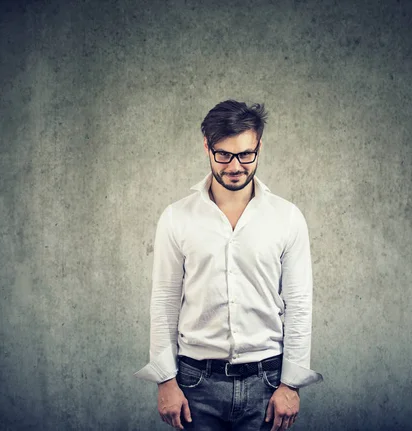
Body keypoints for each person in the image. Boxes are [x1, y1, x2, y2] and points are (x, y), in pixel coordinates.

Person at [135, 100, 323, 431]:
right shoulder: (176, 217)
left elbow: (298, 305)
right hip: (195, 385)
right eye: (223, 154)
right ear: (207, 146)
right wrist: (165, 380)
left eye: (246, 154)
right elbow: (164, 302)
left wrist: (291, 384)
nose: (235, 166)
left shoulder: (288, 218)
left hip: (266, 383)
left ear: (259, 146)